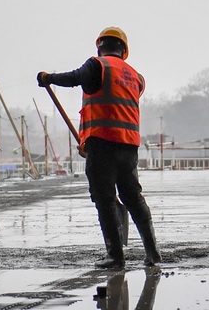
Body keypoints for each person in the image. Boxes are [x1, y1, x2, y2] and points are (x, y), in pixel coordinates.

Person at [38, 27, 161, 269]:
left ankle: (115, 256)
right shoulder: (136, 76)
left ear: (99, 47)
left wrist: (48, 78)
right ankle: (153, 252)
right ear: (124, 50)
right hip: (128, 147)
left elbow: (75, 78)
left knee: (104, 199)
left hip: (102, 144)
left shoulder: (97, 65)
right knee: (133, 197)